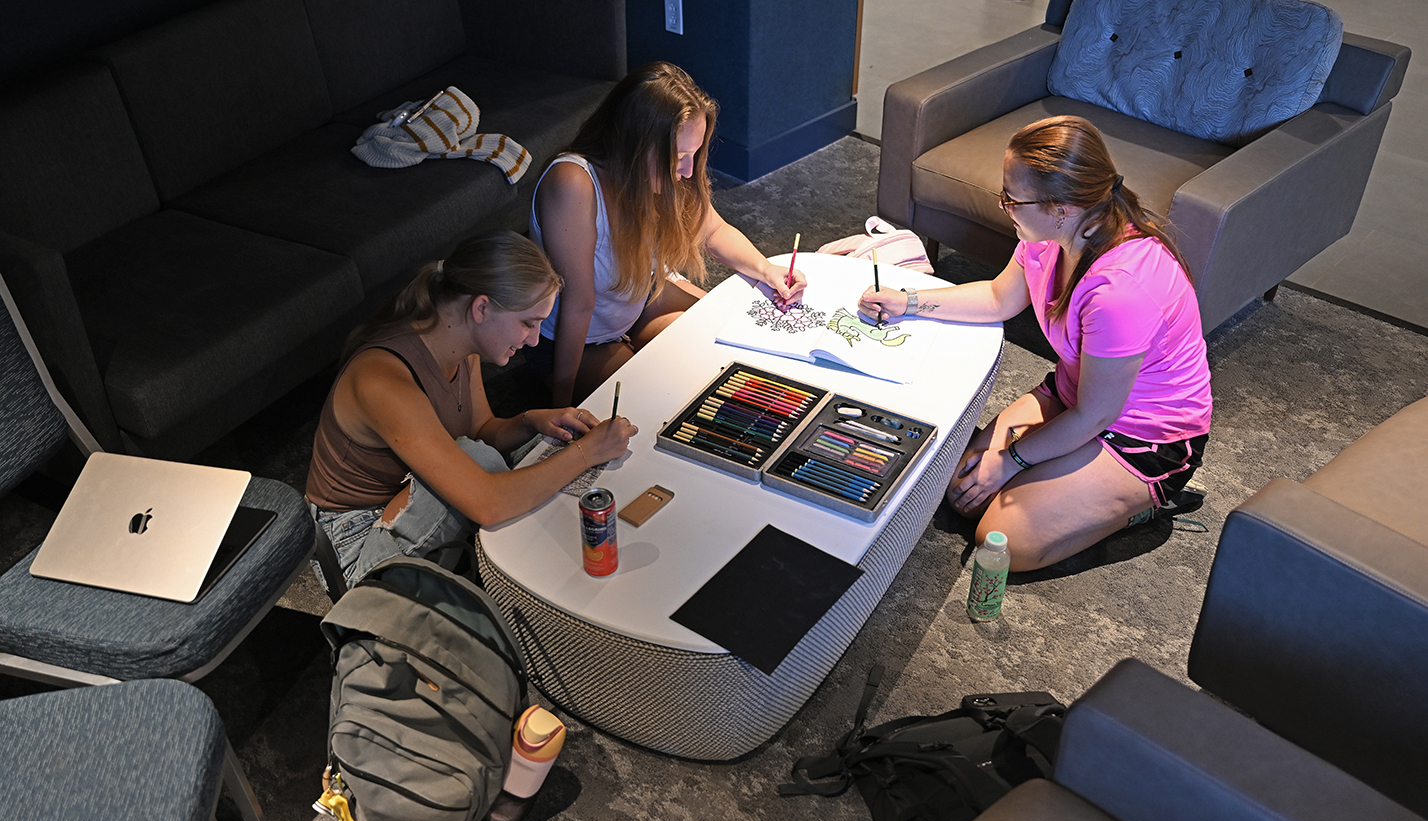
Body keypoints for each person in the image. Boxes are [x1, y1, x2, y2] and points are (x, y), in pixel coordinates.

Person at [859, 115, 1212, 573]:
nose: (1005, 206)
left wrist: (1010, 461)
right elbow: (997, 297)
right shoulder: (1052, 234)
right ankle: (1057, 482)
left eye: (1012, 198)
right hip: (1075, 398)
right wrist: (908, 301)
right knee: (959, 490)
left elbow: (1097, 414)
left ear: (1060, 206)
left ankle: (1144, 505)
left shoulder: (1121, 290)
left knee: (1001, 543)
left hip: (1142, 434)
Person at [306, 230, 638, 587]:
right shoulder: (383, 381)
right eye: (528, 322)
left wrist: (530, 421)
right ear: (481, 308)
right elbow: (486, 502)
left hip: (410, 498)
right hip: (354, 544)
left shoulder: (461, 345)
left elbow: (481, 431)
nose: (534, 339)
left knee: (543, 447)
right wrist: (587, 453)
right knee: (494, 468)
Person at [530, 61, 807, 406]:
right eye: (679, 156)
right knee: (655, 402)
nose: (689, 171)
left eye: (694, 155)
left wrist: (767, 269)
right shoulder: (573, 183)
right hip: (573, 337)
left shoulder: (665, 174)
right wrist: (561, 405)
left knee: (724, 352)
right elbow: (579, 304)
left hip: (637, 296)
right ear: (636, 144)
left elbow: (714, 229)